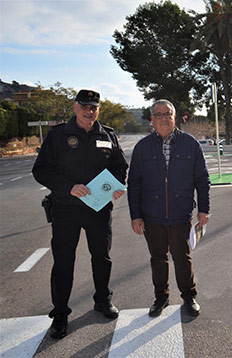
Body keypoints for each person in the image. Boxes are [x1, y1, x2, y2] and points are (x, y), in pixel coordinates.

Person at [32, 90, 128, 339]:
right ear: (75, 107)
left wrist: (117, 186)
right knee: (63, 262)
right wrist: (68, 187)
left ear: (98, 110)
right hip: (66, 209)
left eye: (94, 107)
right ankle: (61, 313)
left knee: (101, 257)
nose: (89, 111)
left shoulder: (107, 135)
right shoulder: (58, 135)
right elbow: (41, 170)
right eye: (84, 106)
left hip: (98, 209)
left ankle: (102, 300)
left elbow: (119, 167)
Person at [127, 99, 210, 317]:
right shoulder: (142, 147)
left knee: (182, 257)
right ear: (151, 120)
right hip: (151, 215)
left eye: (168, 114)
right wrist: (135, 216)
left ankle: (189, 297)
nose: (164, 118)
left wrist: (204, 209)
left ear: (174, 116)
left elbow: (202, 179)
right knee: (158, 258)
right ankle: (160, 297)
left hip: (180, 214)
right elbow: (134, 183)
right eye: (158, 114)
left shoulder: (190, 144)